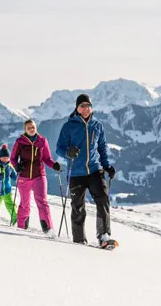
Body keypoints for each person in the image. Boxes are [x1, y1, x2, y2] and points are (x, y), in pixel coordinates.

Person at [56, 94, 117, 248]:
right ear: (77, 108)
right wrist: (68, 153)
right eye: (82, 106)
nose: (85, 108)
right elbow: (59, 148)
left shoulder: (97, 125)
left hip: (95, 170)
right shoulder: (69, 126)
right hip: (76, 172)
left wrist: (107, 166)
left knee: (103, 199)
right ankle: (79, 240)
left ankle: (104, 236)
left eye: (88, 105)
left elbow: (102, 148)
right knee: (78, 206)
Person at [10, 119, 61, 234]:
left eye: (33, 127)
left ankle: (48, 229)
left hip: (39, 176)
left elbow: (47, 158)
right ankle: (21, 227)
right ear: (25, 130)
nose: (31, 129)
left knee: (42, 202)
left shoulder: (42, 141)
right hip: (24, 177)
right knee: (25, 203)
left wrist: (54, 165)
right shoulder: (20, 141)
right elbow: (13, 158)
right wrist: (17, 166)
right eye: (29, 128)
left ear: (36, 127)